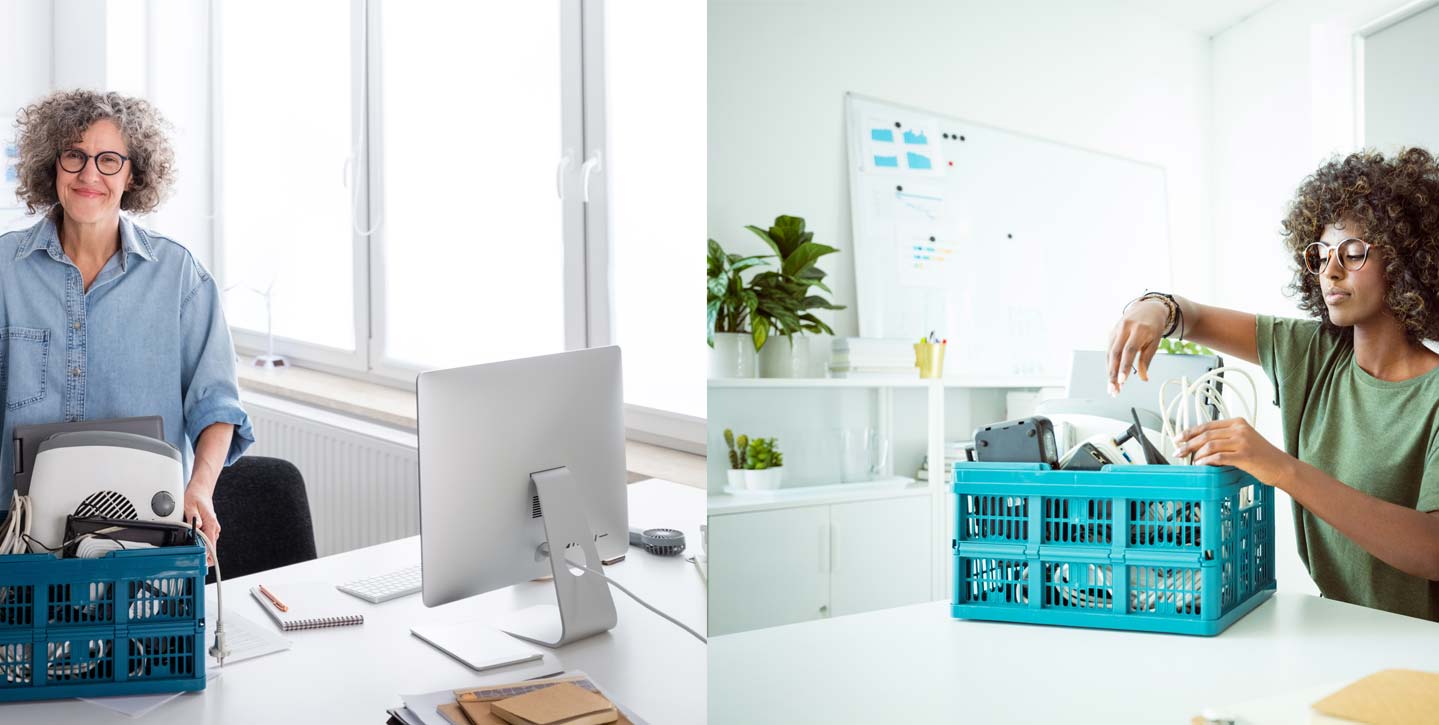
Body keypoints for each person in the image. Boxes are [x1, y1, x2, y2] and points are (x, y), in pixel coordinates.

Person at [1107, 147, 1439, 621]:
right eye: (1320, 255)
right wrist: (1153, 307)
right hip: (1344, 627)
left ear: (1408, 261)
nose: (1331, 270)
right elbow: (1191, 315)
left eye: (1353, 253)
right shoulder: (1313, 352)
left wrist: (1280, 468)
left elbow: (1432, 552)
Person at [0, 89, 254, 563]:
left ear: (133, 173)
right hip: (20, 547)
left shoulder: (180, 277)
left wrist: (199, 486)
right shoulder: (4, 270)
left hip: (143, 542)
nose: (89, 174)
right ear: (52, 165)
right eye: (74, 156)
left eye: (109, 159)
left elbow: (217, 406)